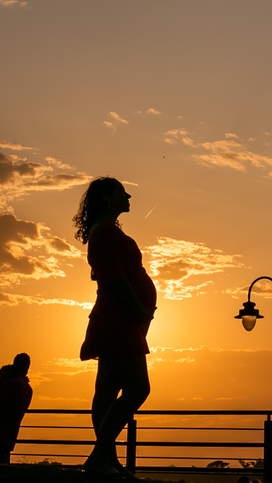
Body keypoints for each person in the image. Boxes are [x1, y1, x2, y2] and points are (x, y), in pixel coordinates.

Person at [73, 177, 157, 477]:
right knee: (137, 388)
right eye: (122, 191)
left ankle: (108, 460)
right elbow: (115, 278)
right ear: (108, 198)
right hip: (119, 319)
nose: (128, 195)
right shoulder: (106, 232)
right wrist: (139, 310)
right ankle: (99, 457)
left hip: (119, 318)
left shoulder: (107, 231)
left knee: (107, 389)